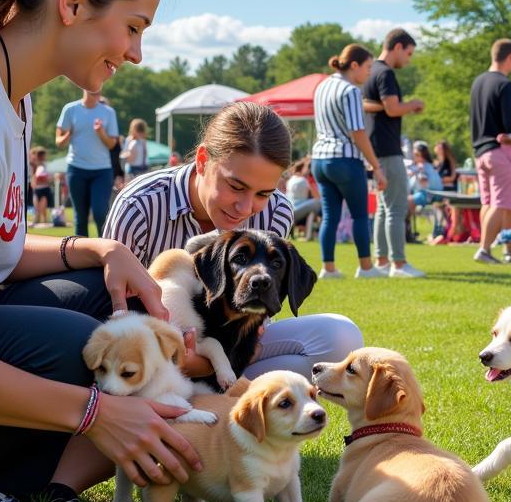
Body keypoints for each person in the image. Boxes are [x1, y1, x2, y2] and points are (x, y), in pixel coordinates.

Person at [0, 0, 204, 502]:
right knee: (86, 350)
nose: (135, 52)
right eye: (132, 27)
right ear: (73, 2)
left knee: (112, 304)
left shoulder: (12, 93)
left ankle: (37, 481)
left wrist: (98, 249)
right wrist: (95, 412)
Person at [105, 100, 364, 368]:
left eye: (263, 193)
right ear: (203, 161)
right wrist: (193, 364)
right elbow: (110, 317)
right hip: (151, 359)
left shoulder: (277, 210)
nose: (246, 208)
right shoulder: (140, 205)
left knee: (341, 337)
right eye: (235, 186)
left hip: (234, 353)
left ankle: (239, 403)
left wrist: (223, 362)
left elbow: (256, 315)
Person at [309, 44, 388, 279]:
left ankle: (328, 268)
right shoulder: (351, 90)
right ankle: (365, 267)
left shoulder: (322, 86)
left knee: (329, 216)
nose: (369, 73)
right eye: (367, 67)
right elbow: (358, 132)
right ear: (354, 65)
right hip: (345, 158)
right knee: (360, 215)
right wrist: (376, 166)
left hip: (319, 159)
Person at [362, 28, 424, 278]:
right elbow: (392, 107)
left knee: (383, 208)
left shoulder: (369, 72)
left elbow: (367, 104)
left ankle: (382, 260)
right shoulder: (386, 72)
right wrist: (414, 104)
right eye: (408, 53)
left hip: (374, 149)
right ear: (397, 47)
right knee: (397, 208)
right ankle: (399, 264)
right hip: (388, 148)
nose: (408, 60)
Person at [471, 38, 511, 265]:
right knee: (502, 204)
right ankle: (485, 250)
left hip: (480, 152)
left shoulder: (478, 82)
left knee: (492, 203)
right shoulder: (505, 85)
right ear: (510, 57)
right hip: (501, 151)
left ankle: (508, 251)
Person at [55, 88, 118, 236]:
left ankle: (104, 251)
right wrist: (68, 134)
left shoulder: (108, 112)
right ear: (84, 87)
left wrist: (101, 133)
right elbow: (58, 142)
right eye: (92, 86)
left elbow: (112, 144)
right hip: (76, 169)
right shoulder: (70, 109)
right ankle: (80, 258)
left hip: (102, 171)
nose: (96, 89)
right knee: (80, 217)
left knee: (100, 212)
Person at [285, 156, 320, 237]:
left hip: (289, 208)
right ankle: (311, 233)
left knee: (312, 210)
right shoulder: (304, 180)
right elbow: (317, 196)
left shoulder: (291, 179)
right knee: (319, 202)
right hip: (296, 209)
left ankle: (309, 232)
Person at [30, 146, 52, 226]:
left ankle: (45, 220)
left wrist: (44, 179)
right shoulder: (34, 165)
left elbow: (49, 178)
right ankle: (36, 220)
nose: (42, 157)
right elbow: (34, 177)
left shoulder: (46, 165)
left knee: (43, 207)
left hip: (45, 188)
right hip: (37, 189)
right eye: (40, 155)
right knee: (36, 207)